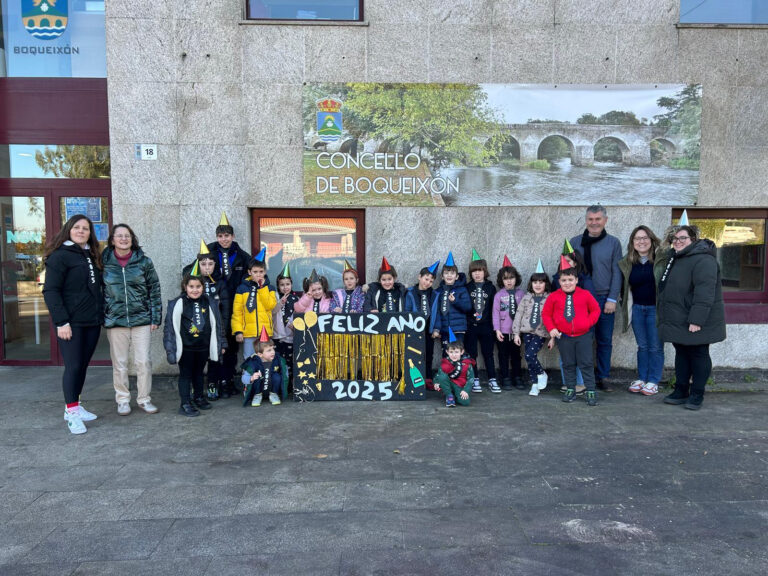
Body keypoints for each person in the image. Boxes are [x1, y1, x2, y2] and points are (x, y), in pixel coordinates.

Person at [43, 214, 104, 435]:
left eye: (85, 228)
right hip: (71, 323)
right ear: (69, 229)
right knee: (74, 366)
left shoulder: (90, 253)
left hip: (91, 321)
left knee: (82, 366)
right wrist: (61, 322)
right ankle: (70, 412)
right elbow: (50, 291)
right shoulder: (60, 256)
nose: (81, 231)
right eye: (77, 227)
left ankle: (76, 405)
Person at [657, 224, 726, 410]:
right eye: (675, 239)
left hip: (695, 319)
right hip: (678, 318)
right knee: (682, 354)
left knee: (698, 354)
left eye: (682, 238)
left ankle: (697, 394)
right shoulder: (676, 258)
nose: (678, 242)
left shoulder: (704, 260)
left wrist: (697, 319)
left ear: (693, 239)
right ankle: (681, 390)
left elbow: (705, 292)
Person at [102, 223, 162, 416]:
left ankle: (144, 399)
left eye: (127, 235)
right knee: (119, 363)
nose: (123, 239)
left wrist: (155, 317)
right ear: (112, 240)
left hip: (141, 319)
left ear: (132, 238)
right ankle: (122, 399)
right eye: (119, 236)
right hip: (115, 320)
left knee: (143, 361)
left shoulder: (144, 261)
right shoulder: (103, 262)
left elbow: (154, 289)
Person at [570, 205, 623, 392]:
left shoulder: (613, 243)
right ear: (586, 220)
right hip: (581, 300)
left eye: (598, 219)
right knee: (583, 340)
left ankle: (603, 376)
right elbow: (567, 271)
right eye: (590, 219)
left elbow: (618, 272)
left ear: (605, 221)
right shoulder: (574, 242)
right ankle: (583, 379)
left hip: (603, 299)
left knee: (604, 340)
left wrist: (612, 299)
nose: (594, 223)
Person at [163, 274, 226, 417]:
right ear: (185, 287)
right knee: (185, 375)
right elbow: (169, 328)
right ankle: (185, 403)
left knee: (199, 373)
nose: (195, 290)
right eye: (191, 287)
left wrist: (221, 343)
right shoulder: (178, 303)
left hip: (203, 346)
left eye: (198, 286)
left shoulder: (209, 302)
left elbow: (218, 324)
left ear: (203, 287)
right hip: (185, 348)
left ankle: (198, 397)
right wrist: (170, 348)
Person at [542, 260, 602, 406]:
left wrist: (587, 323)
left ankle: (590, 390)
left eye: (570, 280)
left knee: (586, 363)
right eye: (564, 280)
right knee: (568, 364)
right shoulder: (554, 297)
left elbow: (596, 310)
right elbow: (546, 314)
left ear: (576, 280)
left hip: (583, 336)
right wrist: (552, 329)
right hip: (564, 336)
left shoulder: (585, 295)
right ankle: (570, 388)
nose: (567, 283)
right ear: (559, 281)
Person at [207, 212, 251, 397]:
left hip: (234, 308)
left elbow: (251, 276)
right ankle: (213, 382)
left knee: (231, 347)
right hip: (213, 307)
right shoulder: (208, 253)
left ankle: (228, 381)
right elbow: (191, 272)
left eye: (227, 236)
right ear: (217, 237)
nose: (224, 239)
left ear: (232, 236)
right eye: (220, 236)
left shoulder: (242, 256)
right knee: (214, 346)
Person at [618, 226, 664, 396]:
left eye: (645, 238)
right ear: (632, 243)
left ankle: (653, 380)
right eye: (637, 239)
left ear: (652, 240)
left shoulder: (661, 260)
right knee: (642, 346)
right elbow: (624, 287)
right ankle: (642, 378)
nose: (641, 241)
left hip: (655, 310)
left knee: (655, 347)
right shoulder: (628, 262)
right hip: (637, 308)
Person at [552, 248, 594, 394]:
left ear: (575, 263)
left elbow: (593, 307)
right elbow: (552, 308)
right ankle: (568, 383)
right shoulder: (557, 282)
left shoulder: (585, 281)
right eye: (562, 261)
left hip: (582, 328)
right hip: (563, 329)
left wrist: (587, 323)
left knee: (581, 357)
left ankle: (581, 384)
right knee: (566, 358)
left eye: (568, 261)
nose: (564, 263)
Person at [513, 269, 554, 397]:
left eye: (541, 282)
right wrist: (516, 333)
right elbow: (518, 315)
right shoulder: (526, 298)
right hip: (527, 331)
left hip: (540, 332)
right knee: (530, 358)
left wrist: (553, 337)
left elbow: (553, 317)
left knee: (530, 355)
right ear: (531, 284)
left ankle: (542, 373)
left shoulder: (550, 298)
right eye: (535, 282)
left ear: (546, 284)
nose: (537, 285)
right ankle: (535, 384)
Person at [465, 250, 498, 393]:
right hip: (471, 325)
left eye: (480, 270)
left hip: (486, 326)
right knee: (471, 354)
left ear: (485, 272)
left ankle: (492, 379)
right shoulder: (467, 287)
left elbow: (494, 307)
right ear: (470, 273)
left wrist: (492, 324)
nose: (477, 274)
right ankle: (475, 379)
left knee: (488, 353)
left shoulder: (491, 288)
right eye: (474, 271)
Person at [231, 256, 277, 359]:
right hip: (248, 332)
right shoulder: (242, 288)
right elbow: (237, 312)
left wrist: (262, 288)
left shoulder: (269, 288)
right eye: (255, 272)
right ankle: (249, 375)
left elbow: (270, 305)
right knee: (249, 358)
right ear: (249, 272)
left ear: (265, 272)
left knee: (265, 357)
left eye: (261, 272)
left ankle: (263, 375)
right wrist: (238, 331)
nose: (258, 275)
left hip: (264, 331)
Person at [492, 256, 525, 391]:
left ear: (516, 279)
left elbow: (524, 313)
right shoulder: (499, 295)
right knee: (503, 355)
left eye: (511, 278)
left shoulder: (521, 294)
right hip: (503, 332)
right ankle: (505, 377)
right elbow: (495, 313)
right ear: (501, 280)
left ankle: (517, 377)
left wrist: (521, 330)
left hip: (517, 332)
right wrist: (497, 330)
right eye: (505, 278)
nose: (509, 281)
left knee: (516, 355)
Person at [430, 252, 471, 357]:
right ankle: (446, 373)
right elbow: (438, 312)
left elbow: (468, 307)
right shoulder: (438, 292)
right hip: (445, 329)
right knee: (446, 354)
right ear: (442, 276)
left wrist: (455, 301)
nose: (449, 275)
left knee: (458, 355)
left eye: (452, 273)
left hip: (459, 329)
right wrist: (436, 329)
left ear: (456, 276)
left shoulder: (462, 290)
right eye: (446, 273)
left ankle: (460, 373)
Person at [405, 261, 439, 388]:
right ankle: (415, 378)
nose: (428, 283)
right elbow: (407, 310)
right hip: (414, 329)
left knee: (429, 354)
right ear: (419, 277)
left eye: (431, 281)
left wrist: (436, 329)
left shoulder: (435, 294)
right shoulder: (410, 292)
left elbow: (438, 314)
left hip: (429, 329)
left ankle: (428, 378)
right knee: (414, 354)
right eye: (426, 279)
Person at [241, 328, 289, 407]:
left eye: (273, 348)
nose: (273, 352)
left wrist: (285, 376)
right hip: (258, 388)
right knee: (256, 377)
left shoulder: (277, 359)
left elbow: (284, 370)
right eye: (269, 350)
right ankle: (257, 395)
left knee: (277, 376)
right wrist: (251, 378)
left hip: (271, 387)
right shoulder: (253, 362)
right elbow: (243, 378)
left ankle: (274, 394)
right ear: (260, 354)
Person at [272, 264, 300, 387]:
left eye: (287, 284)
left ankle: (290, 384)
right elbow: (273, 312)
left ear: (291, 284)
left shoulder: (296, 298)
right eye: (282, 285)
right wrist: (280, 303)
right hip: (278, 335)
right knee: (279, 359)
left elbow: (299, 313)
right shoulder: (275, 297)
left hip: (290, 334)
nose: (285, 287)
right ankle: (281, 382)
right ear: (278, 286)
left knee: (290, 359)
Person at [433, 335, 475, 408]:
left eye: (456, 352)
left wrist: (466, 390)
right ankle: (449, 395)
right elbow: (438, 374)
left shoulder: (467, 363)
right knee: (442, 376)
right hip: (447, 383)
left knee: (465, 402)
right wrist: (435, 382)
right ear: (447, 352)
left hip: (459, 385)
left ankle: (455, 395)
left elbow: (471, 378)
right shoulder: (445, 362)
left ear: (462, 352)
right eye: (451, 352)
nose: (454, 355)